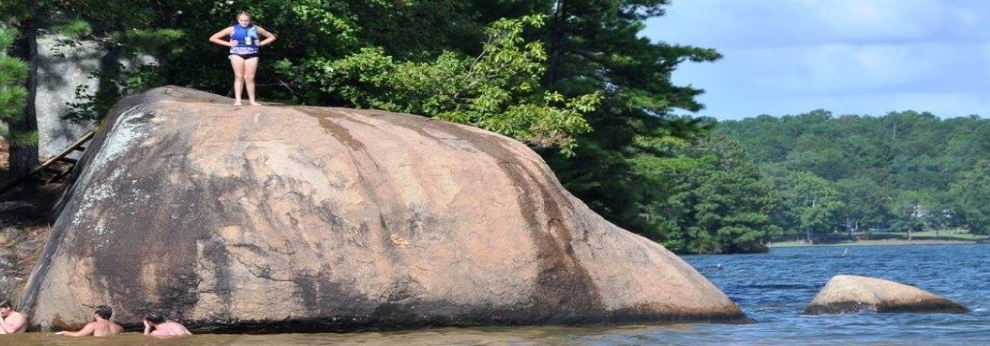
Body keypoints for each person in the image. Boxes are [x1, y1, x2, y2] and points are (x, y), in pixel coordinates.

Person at [209, 11, 276, 106]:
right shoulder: (232, 28)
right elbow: (213, 38)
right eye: (241, 20)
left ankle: (252, 101)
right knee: (239, 76)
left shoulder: (256, 28)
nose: (244, 22)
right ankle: (238, 101)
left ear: (250, 20)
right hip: (236, 54)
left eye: (246, 20)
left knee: (250, 77)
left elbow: (271, 37)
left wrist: (261, 43)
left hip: (252, 54)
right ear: (238, 20)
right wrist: (229, 44)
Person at [55, 305, 123, 337]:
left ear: (96, 314)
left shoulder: (93, 325)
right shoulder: (119, 327)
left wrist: (64, 332)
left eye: (93, 312)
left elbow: (78, 335)